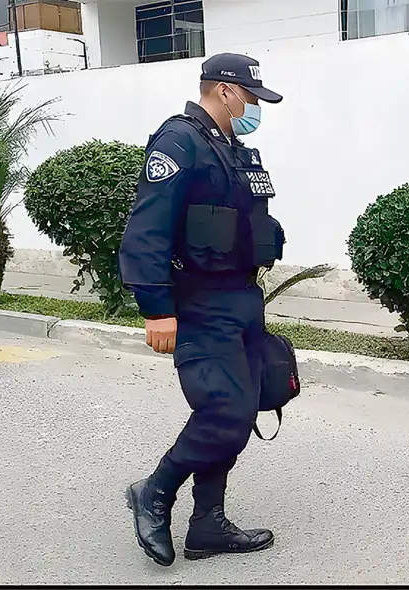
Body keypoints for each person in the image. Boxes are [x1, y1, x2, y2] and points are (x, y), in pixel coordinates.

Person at [118, 52, 286, 567]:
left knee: (245, 406)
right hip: (199, 301)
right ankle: (156, 489)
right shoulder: (179, 142)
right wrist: (155, 307)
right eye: (252, 98)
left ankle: (207, 523)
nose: (255, 108)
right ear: (226, 91)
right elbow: (146, 230)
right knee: (224, 411)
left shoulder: (233, 149)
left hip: (241, 298)